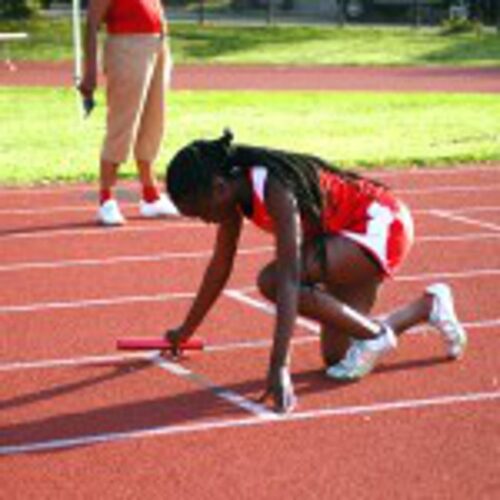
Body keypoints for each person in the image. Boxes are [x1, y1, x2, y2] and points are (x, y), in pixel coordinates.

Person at [164, 130, 467, 413]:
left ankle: (376, 335)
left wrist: (279, 365)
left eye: (201, 213)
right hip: (341, 239)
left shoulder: (275, 188)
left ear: (218, 188)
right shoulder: (230, 196)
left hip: (379, 226)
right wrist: (185, 330)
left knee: (272, 280)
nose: (205, 221)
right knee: (338, 358)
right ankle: (427, 307)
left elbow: (289, 278)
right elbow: (220, 266)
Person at [79, 0, 177, 226]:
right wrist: (90, 71)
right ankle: (106, 199)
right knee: (123, 124)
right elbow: (92, 23)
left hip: (158, 43)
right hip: (127, 47)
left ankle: (150, 195)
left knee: (153, 122)